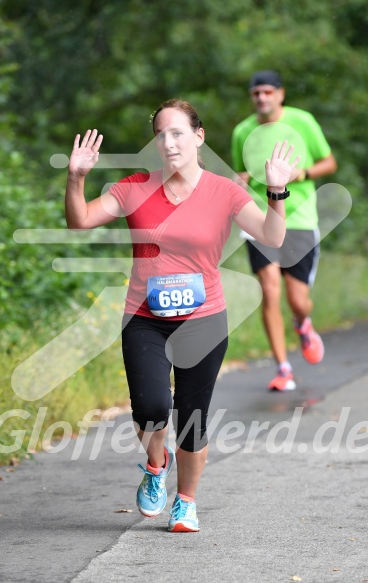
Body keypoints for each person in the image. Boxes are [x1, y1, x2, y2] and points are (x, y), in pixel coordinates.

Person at [65, 98, 299, 532]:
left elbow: (271, 235)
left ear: (198, 136)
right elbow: (79, 221)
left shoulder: (225, 190)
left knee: (192, 419)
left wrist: (276, 192)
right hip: (145, 316)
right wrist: (77, 178)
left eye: (177, 133)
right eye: (161, 134)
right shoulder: (133, 187)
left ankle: (186, 502)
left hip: (204, 318)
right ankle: (157, 465)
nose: (169, 142)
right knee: (151, 408)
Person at [231, 70, 337, 392]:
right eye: (255, 93)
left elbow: (329, 162)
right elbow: (241, 171)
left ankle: (302, 323)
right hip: (261, 219)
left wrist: (301, 173)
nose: (261, 98)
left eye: (267, 92)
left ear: (280, 94)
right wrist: (240, 181)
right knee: (270, 290)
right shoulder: (242, 132)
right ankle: (283, 368)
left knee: (297, 299)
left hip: (300, 219)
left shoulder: (302, 121)